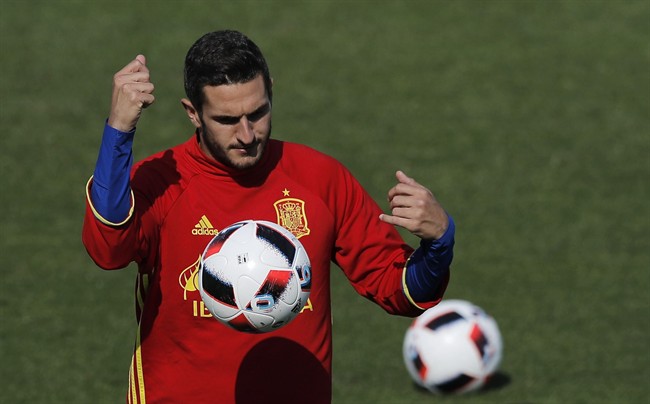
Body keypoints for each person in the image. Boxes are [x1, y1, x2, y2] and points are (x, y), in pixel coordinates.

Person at [82, 30, 455, 403]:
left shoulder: (319, 179)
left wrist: (439, 241)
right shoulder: (163, 182)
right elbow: (108, 249)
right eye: (227, 120)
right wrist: (119, 131)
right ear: (193, 113)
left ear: (271, 93)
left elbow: (399, 290)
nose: (247, 134)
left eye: (257, 113)